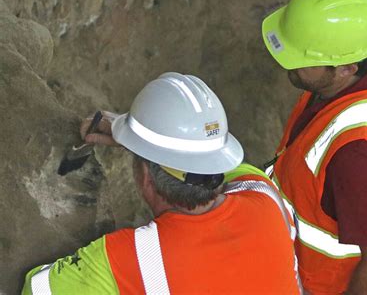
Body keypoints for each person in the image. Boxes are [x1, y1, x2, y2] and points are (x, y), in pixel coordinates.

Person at [22, 73, 300, 294]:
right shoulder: (263, 193)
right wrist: (129, 134)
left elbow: (36, 289)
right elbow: (209, 162)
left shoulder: (132, 258)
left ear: (145, 178)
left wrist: (128, 134)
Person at [261, 0, 367, 295]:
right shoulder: (364, 58)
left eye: (304, 59)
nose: (290, 64)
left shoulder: (358, 157)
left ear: (346, 68)